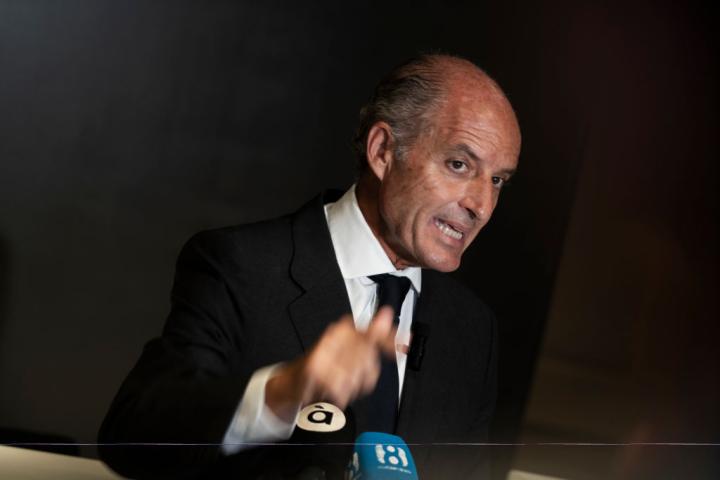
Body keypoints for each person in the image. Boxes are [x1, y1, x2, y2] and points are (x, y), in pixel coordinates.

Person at [99, 54, 521, 479]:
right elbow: (132, 438)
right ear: (383, 151)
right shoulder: (240, 266)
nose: (482, 206)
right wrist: (282, 392)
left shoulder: (472, 329)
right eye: (459, 165)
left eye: (497, 180)